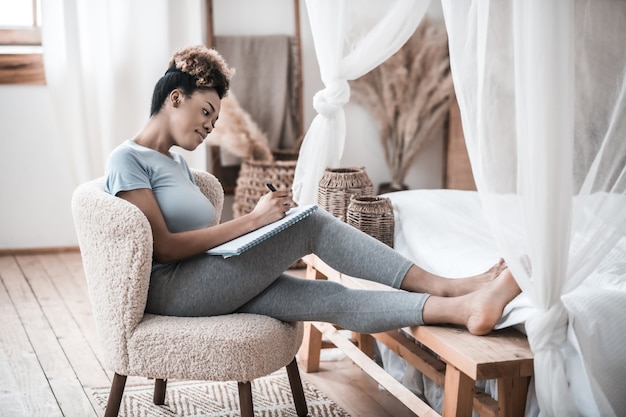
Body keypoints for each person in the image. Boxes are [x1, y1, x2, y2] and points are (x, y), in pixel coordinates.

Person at [105, 45, 521, 337]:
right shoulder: (127, 160)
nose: (210, 125)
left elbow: (204, 244)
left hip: (204, 279)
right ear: (176, 98)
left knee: (328, 296)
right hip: (173, 291)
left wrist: (257, 230)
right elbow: (166, 249)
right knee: (312, 224)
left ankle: (465, 309)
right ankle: (443, 285)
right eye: (206, 112)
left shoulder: (177, 162)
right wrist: (254, 221)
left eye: (214, 118)